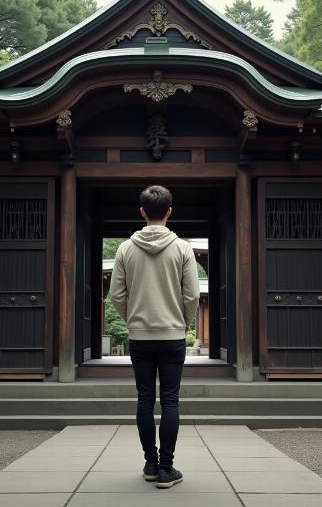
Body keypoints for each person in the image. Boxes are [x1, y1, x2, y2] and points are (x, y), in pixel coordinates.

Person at [108, 184, 200, 489]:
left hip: (140, 335)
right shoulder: (183, 248)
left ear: (142, 212)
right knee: (170, 400)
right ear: (169, 212)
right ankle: (166, 468)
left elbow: (116, 295)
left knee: (145, 399)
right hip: (172, 334)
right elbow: (192, 296)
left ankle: (150, 462)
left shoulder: (124, 249)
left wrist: (133, 319)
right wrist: (182, 323)